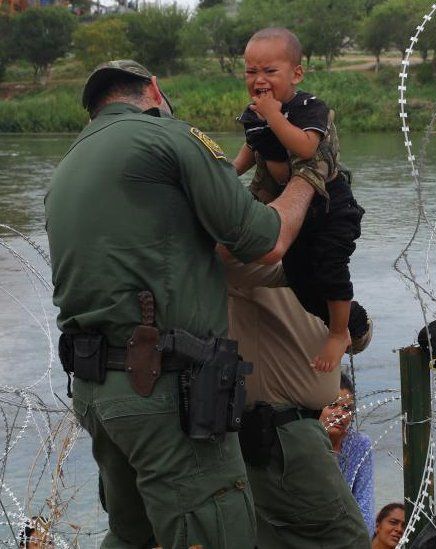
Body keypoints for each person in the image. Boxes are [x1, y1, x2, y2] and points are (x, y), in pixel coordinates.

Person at [46, 59, 322, 548]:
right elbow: (267, 239)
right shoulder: (174, 137)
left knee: (133, 537)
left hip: (96, 391)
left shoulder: (69, 164)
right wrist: (308, 175)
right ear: (154, 91)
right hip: (163, 390)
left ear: (96, 107)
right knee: (217, 532)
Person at [233, 27, 365, 374]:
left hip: (330, 206)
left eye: (269, 71)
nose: (259, 79)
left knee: (330, 268)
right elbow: (253, 146)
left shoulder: (308, 107)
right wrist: (228, 173)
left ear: (296, 73)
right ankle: (336, 318)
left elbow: (307, 147)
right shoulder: (254, 113)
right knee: (298, 277)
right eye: (251, 71)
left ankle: (340, 333)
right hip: (295, 215)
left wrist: (274, 116)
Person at [226, 260, 370, 548]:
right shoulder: (256, 258)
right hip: (281, 428)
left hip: (298, 428)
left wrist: (357, 325)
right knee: (348, 539)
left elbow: (351, 337)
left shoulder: (316, 263)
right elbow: (232, 264)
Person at [321, 373, 375, 536]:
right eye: (332, 405)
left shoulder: (359, 445)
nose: (340, 414)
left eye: (347, 408)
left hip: (349, 535)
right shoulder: (305, 442)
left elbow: (365, 505)